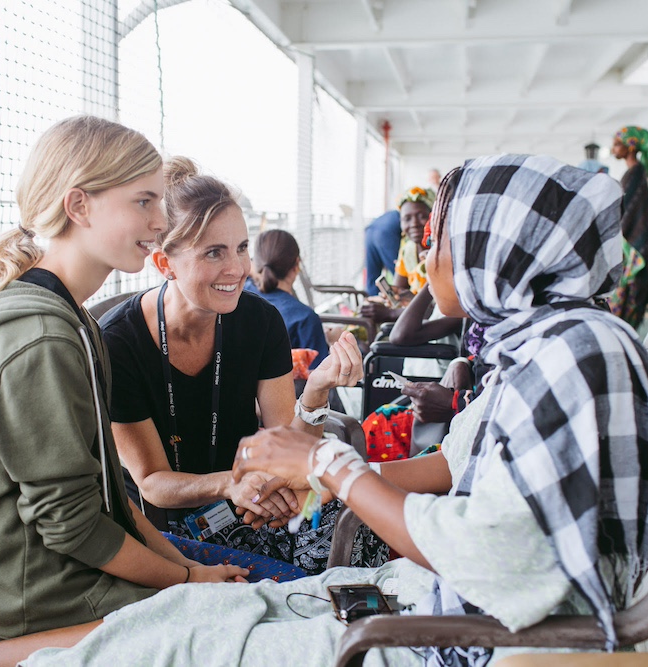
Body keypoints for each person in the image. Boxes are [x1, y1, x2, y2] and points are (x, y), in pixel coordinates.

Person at [0, 153, 648, 667]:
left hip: (448, 626)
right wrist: (314, 472)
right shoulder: (554, 348)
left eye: (443, 240)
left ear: (502, 250)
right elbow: (431, 464)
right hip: (397, 589)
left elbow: (490, 547)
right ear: (164, 260)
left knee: (192, 619)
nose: (423, 257)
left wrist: (321, 468)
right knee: (194, 605)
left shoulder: (565, 356)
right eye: (213, 250)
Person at [0, 117, 253, 645]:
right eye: (143, 202)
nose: (161, 221)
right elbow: (72, 525)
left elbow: (106, 494)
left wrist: (186, 567)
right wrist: (187, 580)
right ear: (79, 206)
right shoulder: (41, 339)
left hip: (75, 576)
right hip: (40, 605)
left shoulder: (73, 320)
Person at [98, 157, 379, 575]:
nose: (237, 270)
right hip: (166, 531)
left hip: (252, 504)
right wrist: (232, 484)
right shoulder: (118, 342)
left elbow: (285, 447)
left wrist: (316, 390)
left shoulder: (261, 322)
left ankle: (335, 624)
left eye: (242, 248)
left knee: (361, 517)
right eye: (214, 252)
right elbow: (153, 483)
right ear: (164, 264)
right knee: (304, 577)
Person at [244, 228, 330, 369]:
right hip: (286, 390)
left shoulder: (240, 294)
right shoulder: (304, 318)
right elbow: (320, 377)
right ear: (297, 265)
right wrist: (332, 343)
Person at [360, 185, 435, 325]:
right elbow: (398, 292)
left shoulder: (440, 253)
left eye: (422, 216)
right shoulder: (408, 250)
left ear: (433, 217)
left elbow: (437, 311)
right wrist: (390, 300)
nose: (414, 224)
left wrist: (390, 313)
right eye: (407, 218)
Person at [610, 125, 648, 328]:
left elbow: (628, 212)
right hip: (634, 245)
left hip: (634, 250)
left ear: (630, 148)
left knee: (622, 305)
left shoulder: (635, 174)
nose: (613, 149)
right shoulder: (634, 173)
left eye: (616, 145)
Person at [363, 209, 401, 296]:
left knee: (373, 280)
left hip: (369, 232)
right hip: (385, 233)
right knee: (401, 275)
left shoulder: (395, 213)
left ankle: (373, 305)